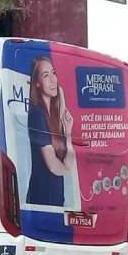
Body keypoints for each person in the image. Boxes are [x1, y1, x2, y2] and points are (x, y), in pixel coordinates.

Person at [26, 56, 76, 206]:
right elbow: (54, 166)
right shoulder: (37, 114)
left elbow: (68, 161)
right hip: (41, 199)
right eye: (46, 76)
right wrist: (66, 167)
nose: (53, 80)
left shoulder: (53, 116)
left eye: (53, 73)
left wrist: (67, 132)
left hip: (56, 198)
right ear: (37, 83)